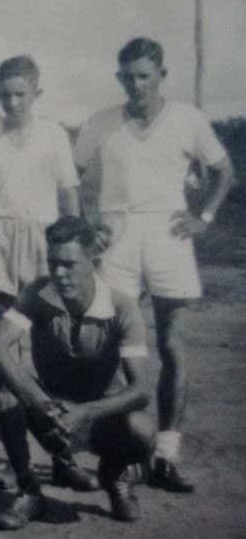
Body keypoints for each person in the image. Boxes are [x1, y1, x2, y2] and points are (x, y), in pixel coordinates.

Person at [73, 37, 233, 493]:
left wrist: (204, 217)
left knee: (171, 344)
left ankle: (166, 457)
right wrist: (88, 226)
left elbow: (223, 171)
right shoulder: (101, 122)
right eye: (128, 77)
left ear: (162, 75)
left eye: (145, 75)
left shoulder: (188, 119)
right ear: (119, 78)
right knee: (107, 343)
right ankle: (120, 450)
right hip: (117, 234)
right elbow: (71, 175)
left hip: (168, 234)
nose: (136, 85)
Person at [0, 55, 88, 489]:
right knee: (2, 351)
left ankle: (62, 454)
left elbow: (70, 196)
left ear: (37, 93)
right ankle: (12, 458)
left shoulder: (54, 135)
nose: (13, 102)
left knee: (50, 350)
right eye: (5, 94)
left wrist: (76, 251)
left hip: (42, 242)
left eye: (21, 94)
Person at [0, 217, 156, 528]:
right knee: (4, 390)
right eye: (53, 263)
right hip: (51, 414)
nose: (59, 274)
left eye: (69, 264)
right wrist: (40, 402)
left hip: (100, 419)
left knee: (142, 430)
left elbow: (143, 390)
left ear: (95, 263)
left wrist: (84, 412)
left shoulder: (121, 306)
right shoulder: (37, 293)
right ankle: (29, 490)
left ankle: (114, 474)